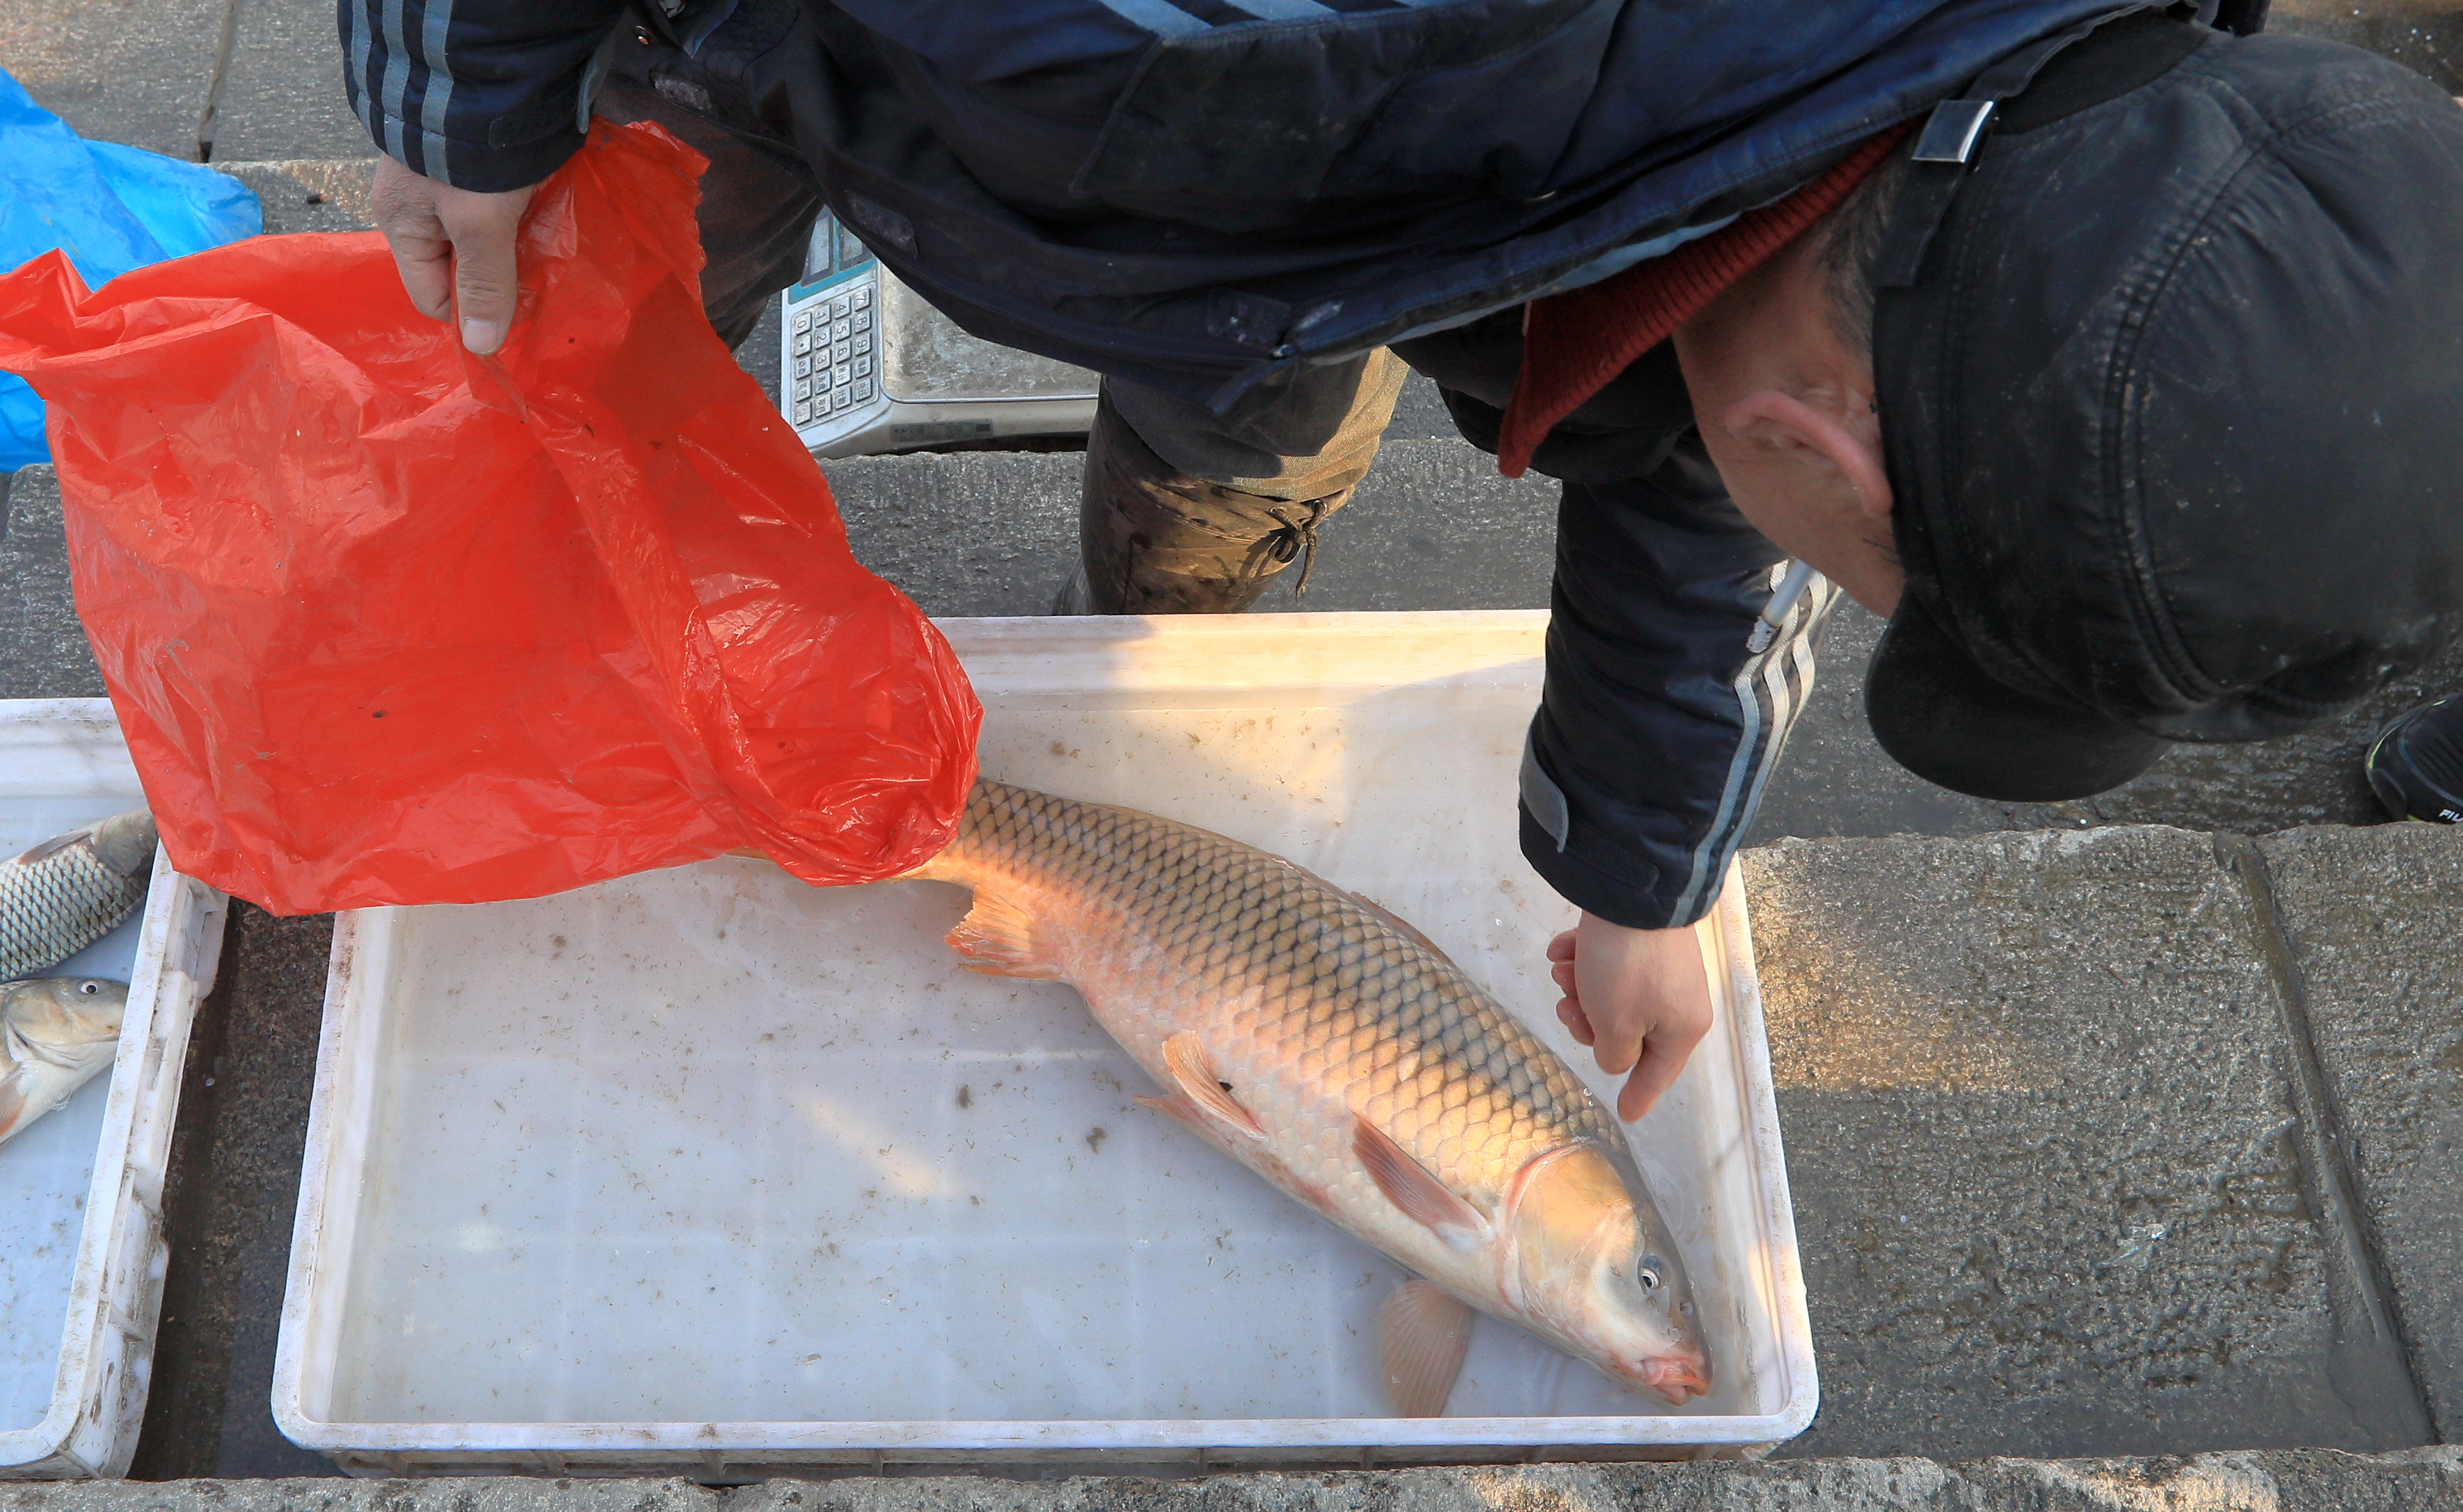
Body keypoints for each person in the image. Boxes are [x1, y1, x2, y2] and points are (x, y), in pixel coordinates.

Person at [344, 1, 2463, 1120]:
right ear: (1816, 446)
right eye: (1900, 586)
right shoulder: (1174, 47)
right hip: (808, 58)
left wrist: (1640, 863)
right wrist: (468, 88)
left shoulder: (1979, 118)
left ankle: (1160, 621)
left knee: (1242, 416)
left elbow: (1709, 430)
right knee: (563, 323)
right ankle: (531, 615)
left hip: (1315, 219)